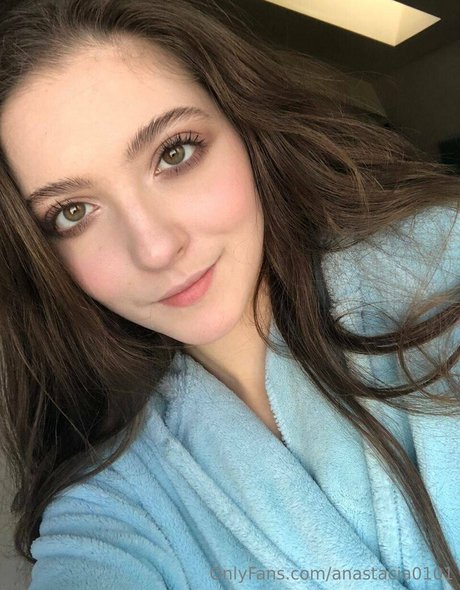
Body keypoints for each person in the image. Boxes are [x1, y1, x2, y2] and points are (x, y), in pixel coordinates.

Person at [0, 0, 459, 588]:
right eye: (72, 212)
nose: (155, 248)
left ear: (246, 128)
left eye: (175, 153)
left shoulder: (440, 266)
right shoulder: (112, 502)